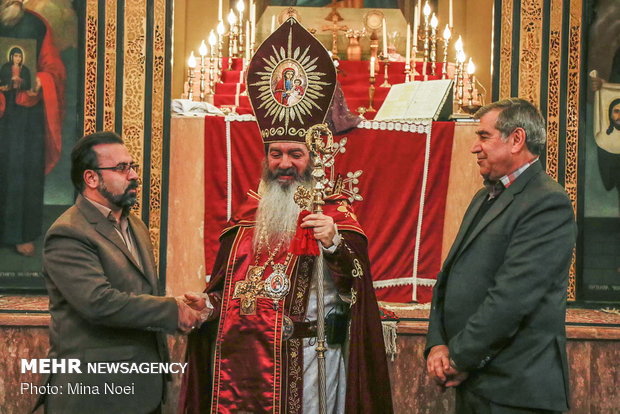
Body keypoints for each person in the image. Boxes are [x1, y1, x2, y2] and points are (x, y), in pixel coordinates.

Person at [180, 16, 393, 414]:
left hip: (311, 363)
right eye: (275, 154)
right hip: (242, 369)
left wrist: (333, 244)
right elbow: (228, 288)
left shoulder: (335, 218)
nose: (284, 163)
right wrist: (209, 307)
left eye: (295, 154)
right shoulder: (245, 221)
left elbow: (356, 291)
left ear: (313, 159)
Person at [425, 98, 577, 413]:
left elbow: (511, 298)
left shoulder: (547, 203)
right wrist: (437, 343)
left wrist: (458, 358)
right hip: (475, 383)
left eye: (484, 136)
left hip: (516, 390)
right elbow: (449, 276)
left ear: (516, 139)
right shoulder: (485, 195)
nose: (474, 147)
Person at [37, 132, 205, 413]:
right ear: (91, 179)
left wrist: (186, 307)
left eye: (133, 166)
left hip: (143, 392)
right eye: (121, 168)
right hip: (94, 395)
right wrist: (172, 310)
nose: (134, 175)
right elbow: (99, 303)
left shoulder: (135, 225)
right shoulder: (68, 233)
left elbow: (139, 295)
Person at [0, 0, 65, 256]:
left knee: (21, 171)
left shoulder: (37, 24)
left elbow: (54, 70)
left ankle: (21, 234)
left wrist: (38, 80)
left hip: (26, 118)